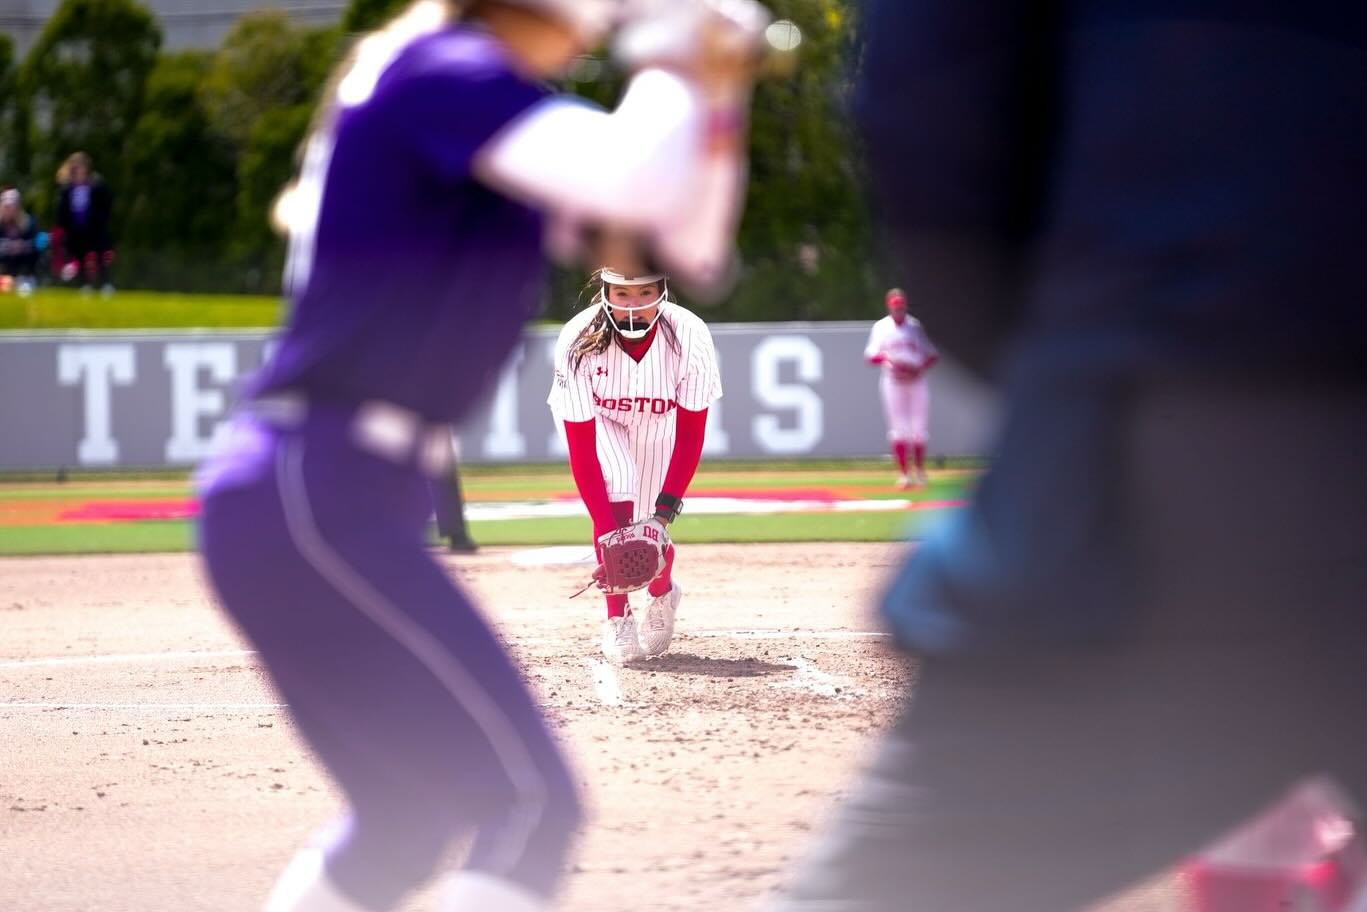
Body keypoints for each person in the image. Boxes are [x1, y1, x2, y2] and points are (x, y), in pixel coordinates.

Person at [772, 2, 1367, 912]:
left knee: (902, 886)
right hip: (1181, 420)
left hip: (1164, 455)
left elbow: (930, 128)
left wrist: (1078, 366)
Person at [193, 1, 767, 911]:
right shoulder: (446, 70)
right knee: (531, 807)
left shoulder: (485, 103)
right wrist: (672, 44)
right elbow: (635, 179)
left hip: (321, 495)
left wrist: (717, 93)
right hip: (320, 484)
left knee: (403, 818)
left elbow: (690, 240)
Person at [548, 267, 722, 663]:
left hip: (658, 424)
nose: (634, 305)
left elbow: (691, 436)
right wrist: (609, 535)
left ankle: (663, 594)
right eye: (623, 294)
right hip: (599, 423)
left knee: (644, 526)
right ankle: (617, 618)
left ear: (663, 291)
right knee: (617, 485)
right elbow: (583, 450)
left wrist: (660, 519)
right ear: (605, 292)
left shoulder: (690, 336)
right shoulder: (577, 339)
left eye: (644, 292)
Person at [863, 287, 938, 489]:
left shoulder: (914, 326)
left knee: (919, 428)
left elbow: (931, 354)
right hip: (893, 381)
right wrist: (889, 361)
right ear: (889, 307)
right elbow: (871, 355)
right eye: (895, 308)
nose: (899, 312)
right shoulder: (881, 327)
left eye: (901, 308)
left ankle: (920, 472)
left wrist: (918, 368)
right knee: (898, 429)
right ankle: (904, 474)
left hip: (916, 380)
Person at [54, 151, 115, 295]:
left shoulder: (96, 185)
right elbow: (62, 210)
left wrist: (102, 219)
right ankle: (84, 284)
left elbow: (106, 203)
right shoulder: (67, 189)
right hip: (75, 228)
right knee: (79, 256)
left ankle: (105, 283)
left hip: (95, 227)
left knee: (101, 256)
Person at [0, 188, 40, 296]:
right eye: (7, 206)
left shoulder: (29, 223)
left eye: (13, 206)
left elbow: (35, 246)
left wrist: (22, 246)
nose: (10, 209)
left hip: (24, 271)